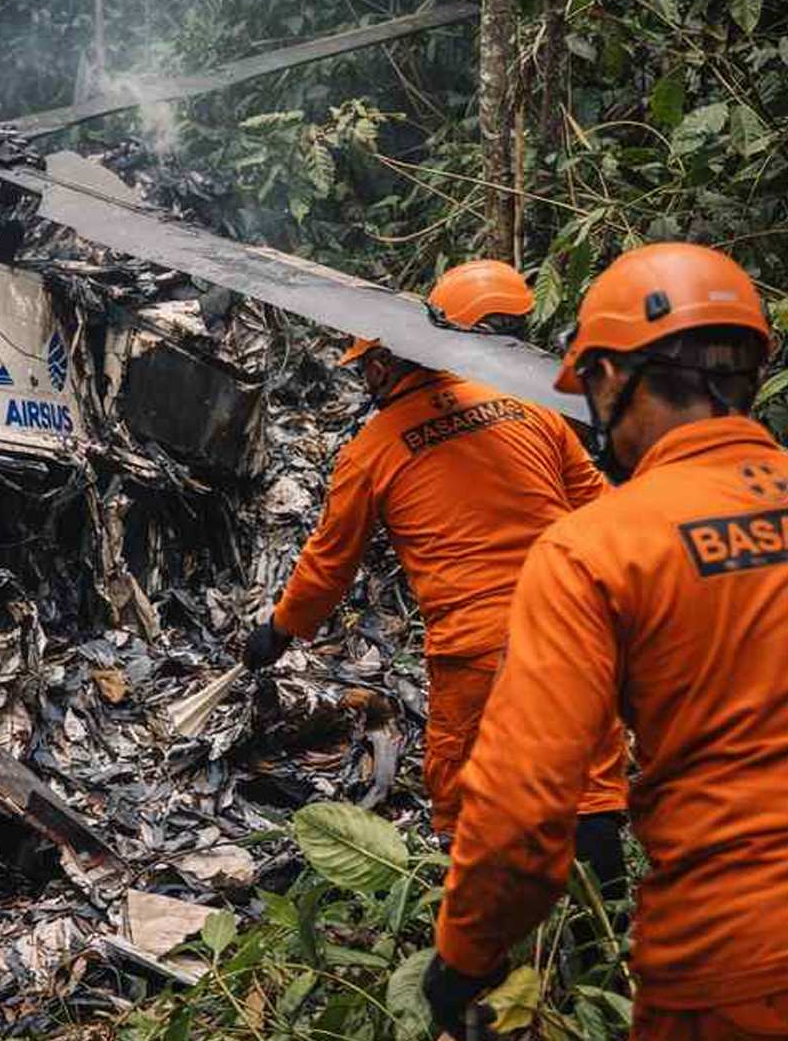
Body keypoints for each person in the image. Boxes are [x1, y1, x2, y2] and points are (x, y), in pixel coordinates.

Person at [426, 243, 786, 1040]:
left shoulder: (594, 549)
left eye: (589, 385)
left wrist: (461, 961)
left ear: (616, 377)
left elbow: (522, 807)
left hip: (733, 959)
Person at [242, 259, 629, 854]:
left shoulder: (371, 451)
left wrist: (280, 629)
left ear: (380, 365)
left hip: (477, 647)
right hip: (572, 624)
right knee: (590, 787)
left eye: (365, 371)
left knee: (467, 792)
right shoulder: (526, 407)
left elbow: (330, 563)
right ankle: (598, 942)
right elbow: (601, 510)